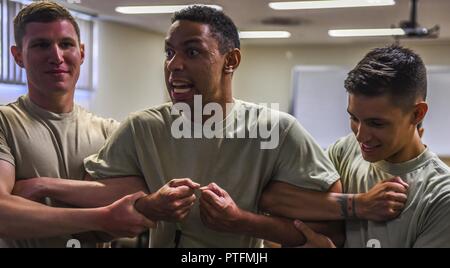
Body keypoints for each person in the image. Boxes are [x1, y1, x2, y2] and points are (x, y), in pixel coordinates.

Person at [13, 6, 405, 248]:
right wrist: (49, 185)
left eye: (192, 52)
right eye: (169, 52)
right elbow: (121, 193)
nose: (174, 65)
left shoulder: (277, 130)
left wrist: (244, 222)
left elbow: (329, 231)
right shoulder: (143, 127)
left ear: (230, 60)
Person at [0, 1, 154, 248]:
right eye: (41, 45)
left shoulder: (110, 131)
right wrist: (101, 216)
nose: (56, 56)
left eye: (66, 44)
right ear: (18, 56)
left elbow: (141, 192)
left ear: (81, 53)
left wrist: (44, 185)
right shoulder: (5, 124)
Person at [264, 45, 450, 248]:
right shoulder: (344, 151)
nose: (361, 135)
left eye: (376, 123)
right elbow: (272, 198)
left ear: (417, 114)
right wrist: (359, 204)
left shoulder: (440, 194)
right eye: (354, 118)